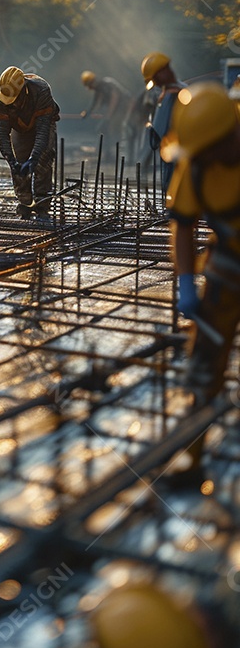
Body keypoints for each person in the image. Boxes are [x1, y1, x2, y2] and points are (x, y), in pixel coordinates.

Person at [164, 82, 240, 480]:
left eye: (212, 151)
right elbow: (183, 227)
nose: (206, 159)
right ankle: (192, 455)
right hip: (229, 262)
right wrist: (187, 283)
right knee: (205, 362)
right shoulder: (197, 161)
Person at [0, 66, 60, 228]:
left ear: (23, 90)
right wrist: (11, 160)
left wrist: (34, 157)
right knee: (20, 162)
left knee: (44, 159)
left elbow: (43, 131)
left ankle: (42, 204)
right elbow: (1, 132)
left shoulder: (41, 90)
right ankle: (25, 203)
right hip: (20, 126)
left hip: (42, 124)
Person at [141, 51, 185, 196]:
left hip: (175, 162)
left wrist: (149, 126)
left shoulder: (170, 97)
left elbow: (155, 138)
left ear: (161, 73)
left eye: (155, 80)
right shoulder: (184, 89)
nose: (157, 84)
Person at [79, 71, 131, 146]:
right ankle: (108, 149)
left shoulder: (106, 84)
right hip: (117, 111)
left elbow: (114, 98)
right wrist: (87, 113)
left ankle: (115, 148)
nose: (91, 88)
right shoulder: (98, 90)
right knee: (104, 128)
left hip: (124, 108)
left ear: (92, 82)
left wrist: (108, 117)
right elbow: (95, 104)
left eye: (89, 86)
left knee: (113, 128)